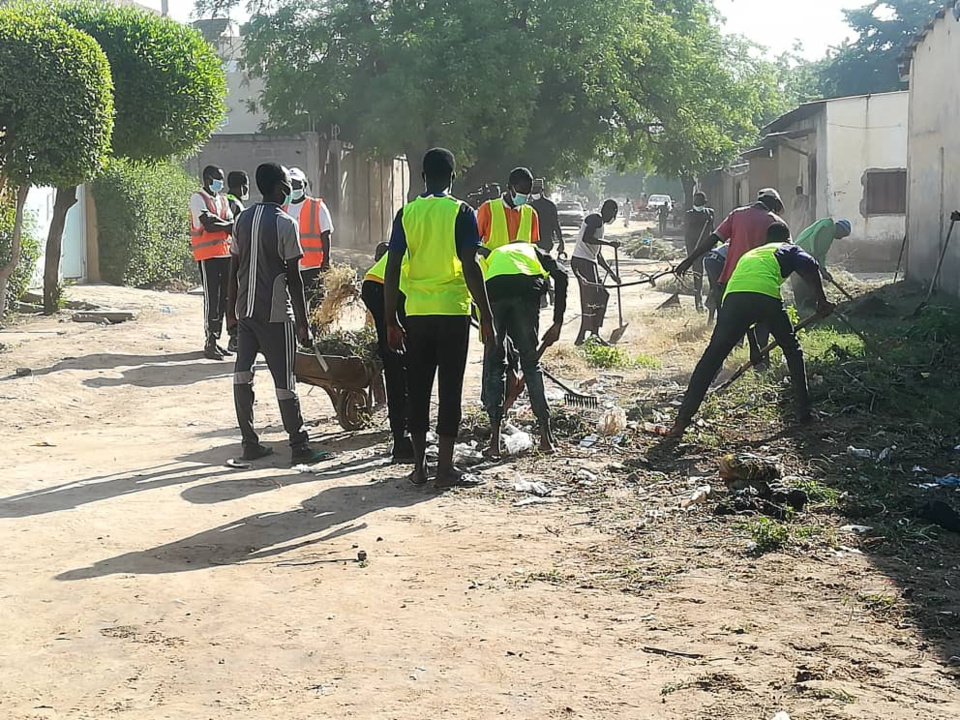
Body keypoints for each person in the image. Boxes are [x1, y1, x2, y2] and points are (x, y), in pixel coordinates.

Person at [384, 148, 496, 489]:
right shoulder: (461, 212)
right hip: (452, 312)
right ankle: (444, 469)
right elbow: (470, 265)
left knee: (417, 388)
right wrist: (486, 315)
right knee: (450, 388)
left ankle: (419, 467)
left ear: (422, 177)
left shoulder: (407, 213)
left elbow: (391, 269)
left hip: (416, 313)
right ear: (452, 176)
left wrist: (391, 319)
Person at [666, 221, 834, 438]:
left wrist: (754, 348)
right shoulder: (787, 248)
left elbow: (747, 310)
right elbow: (810, 264)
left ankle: (680, 422)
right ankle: (804, 413)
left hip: (733, 300)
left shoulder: (751, 254)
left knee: (711, 358)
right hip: (766, 298)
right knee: (792, 350)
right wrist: (821, 301)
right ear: (788, 238)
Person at [226, 163, 332, 465]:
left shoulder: (242, 219)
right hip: (275, 315)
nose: (289, 188)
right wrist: (303, 324)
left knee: (242, 376)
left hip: (245, 312)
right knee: (285, 381)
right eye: (286, 183)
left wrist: (231, 314)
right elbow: (294, 278)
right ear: (279, 188)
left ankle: (249, 443)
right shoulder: (286, 224)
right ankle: (299, 446)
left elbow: (234, 269)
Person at [480, 238, 568, 458]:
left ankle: (494, 444)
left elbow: (477, 287)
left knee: (494, 363)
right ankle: (546, 440)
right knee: (531, 363)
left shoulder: (495, 255)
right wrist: (557, 322)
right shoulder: (535, 251)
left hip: (494, 291)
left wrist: (490, 335)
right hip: (527, 290)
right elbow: (562, 275)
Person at [677, 188, 786, 366]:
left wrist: (688, 261)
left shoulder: (737, 215)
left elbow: (712, 240)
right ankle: (761, 363)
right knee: (762, 324)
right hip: (761, 283)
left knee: (726, 327)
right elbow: (785, 254)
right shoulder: (775, 222)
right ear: (774, 203)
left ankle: (714, 367)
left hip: (732, 282)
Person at [360, 242, 414, 463]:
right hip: (391, 289)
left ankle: (403, 435)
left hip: (373, 284)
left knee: (396, 363)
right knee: (402, 365)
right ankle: (403, 439)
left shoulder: (413, 241)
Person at [190, 165, 234, 361]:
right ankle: (210, 341)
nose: (221, 183)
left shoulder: (222, 200)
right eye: (218, 179)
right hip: (208, 256)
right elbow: (207, 223)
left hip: (225, 254)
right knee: (212, 299)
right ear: (207, 179)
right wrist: (224, 225)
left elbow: (228, 223)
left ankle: (217, 339)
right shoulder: (197, 198)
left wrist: (220, 223)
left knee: (224, 298)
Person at [571, 199, 620, 345]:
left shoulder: (601, 225)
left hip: (588, 262)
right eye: (614, 213)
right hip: (582, 261)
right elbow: (587, 238)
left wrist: (612, 274)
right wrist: (609, 243)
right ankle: (588, 335)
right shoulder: (596, 219)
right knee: (591, 297)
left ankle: (591, 334)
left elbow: (597, 255)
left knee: (600, 295)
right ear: (611, 211)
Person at [285, 167, 334, 303]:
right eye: (290, 184)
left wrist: (326, 261)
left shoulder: (316, 206)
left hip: (313, 267)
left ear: (304, 185)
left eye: (297, 184)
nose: (294, 187)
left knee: (315, 305)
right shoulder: (283, 207)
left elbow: (326, 235)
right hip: (291, 267)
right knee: (295, 304)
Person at [791, 218, 851, 313]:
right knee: (804, 281)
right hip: (801, 253)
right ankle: (804, 308)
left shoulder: (829, 237)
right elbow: (814, 237)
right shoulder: (828, 224)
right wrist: (813, 252)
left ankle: (808, 307)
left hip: (807, 256)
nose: (841, 238)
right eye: (843, 235)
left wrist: (823, 270)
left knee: (809, 281)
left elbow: (821, 254)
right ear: (840, 229)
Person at [477, 167, 541, 253]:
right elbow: (474, 242)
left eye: (528, 191)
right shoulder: (488, 209)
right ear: (509, 187)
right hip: (494, 265)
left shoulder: (531, 214)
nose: (525, 194)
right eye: (521, 190)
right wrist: (485, 253)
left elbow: (533, 247)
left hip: (520, 266)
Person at [683, 192, 715, 312]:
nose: (698, 203)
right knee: (698, 276)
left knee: (713, 276)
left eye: (700, 201)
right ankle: (698, 303)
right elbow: (687, 235)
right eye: (696, 201)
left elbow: (712, 231)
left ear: (704, 202)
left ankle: (710, 301)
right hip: (695, 250)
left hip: (708, 248)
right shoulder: (689, 215)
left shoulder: (710, 213)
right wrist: (690, 254)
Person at [530, 178, 562, 255]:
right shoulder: (529, 206)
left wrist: (561, 240)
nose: (534, 193)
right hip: (532, 243)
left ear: (542, 190)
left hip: (546, 241)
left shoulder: (550, 206)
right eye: (533, 191)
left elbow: (555, 224)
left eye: (536, 191)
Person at [703, 243, 729, 325]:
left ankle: (711, 320)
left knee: (714, 288)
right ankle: (719, 320)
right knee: (720, 290)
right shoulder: (741, 247)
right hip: (717, 261)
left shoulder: (731, 244)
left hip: (709, 259)